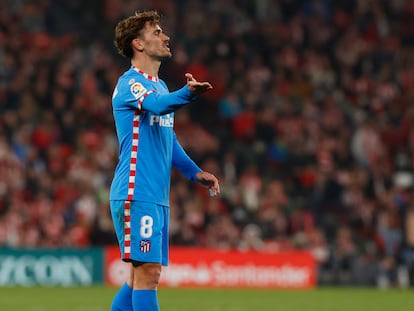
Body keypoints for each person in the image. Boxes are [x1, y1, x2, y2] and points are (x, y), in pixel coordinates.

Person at [109, 10, 220, 311]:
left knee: (139, 277)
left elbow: (166, 138)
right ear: (139, 44)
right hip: (136, 192)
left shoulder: (159, 86)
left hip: (155, 196)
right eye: (157, 32)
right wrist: (187, 94)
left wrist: (194, 172)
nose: (165, 36)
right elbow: (156, 107)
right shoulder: (130, 84)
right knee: (149, 272)